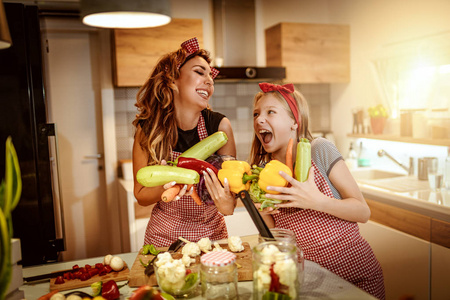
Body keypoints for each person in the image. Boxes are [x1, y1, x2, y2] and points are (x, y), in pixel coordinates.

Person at [249, 82, 385, 299]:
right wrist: (262, 211)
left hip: (356, 277)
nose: (259, 119)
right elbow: (274, 238)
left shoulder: (319, 150)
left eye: (270, 112)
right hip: (310, 280)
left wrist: (316, 201)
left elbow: (363, 211)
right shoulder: (264, 173)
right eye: (256, 114)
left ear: (295, 121)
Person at [132, 37, 237, 247]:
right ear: (172, 80)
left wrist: (226, 201)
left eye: (211, 76)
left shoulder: (219, 127)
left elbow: (229, 206)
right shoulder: (149, 130)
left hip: (212, 235)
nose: (209, 80)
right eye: (199, 72)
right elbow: (141, 195)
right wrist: (170, 182)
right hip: (164, 236)